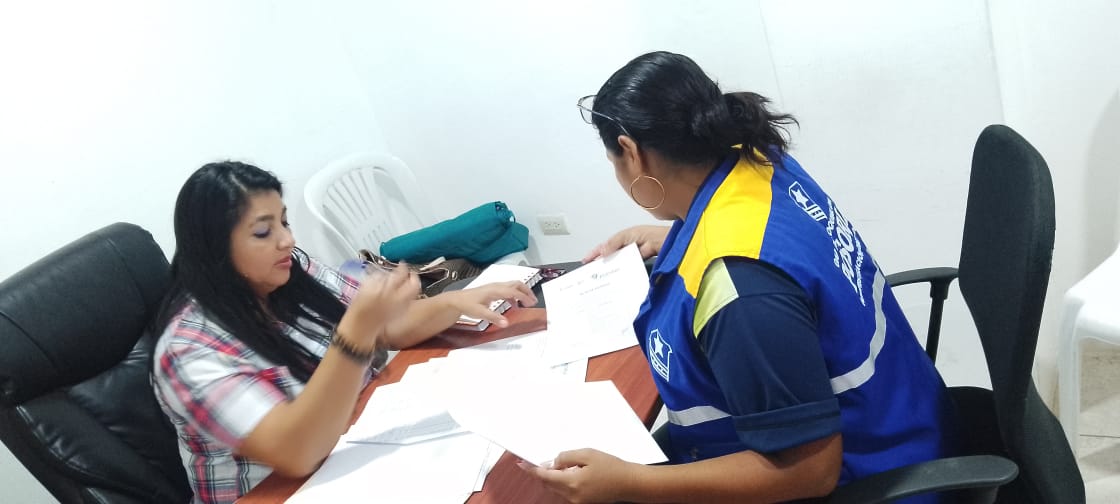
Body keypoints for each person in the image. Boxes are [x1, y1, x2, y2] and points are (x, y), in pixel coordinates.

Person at [521, 51, 962, 503]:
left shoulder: (739, 292)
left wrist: (628, 484)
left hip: (864, 473)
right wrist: (680, 236)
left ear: (630, 152)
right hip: (901, 414)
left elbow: (809, 471)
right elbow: (779, 243)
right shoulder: (757, 160)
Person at [151, 161, 535, 504]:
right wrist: (355, 333)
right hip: (284, 490)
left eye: (284, 222)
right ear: (214, 247)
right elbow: (298, 452)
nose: (287, 240)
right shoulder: (188, 350)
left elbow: (388, 328)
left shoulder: (289, 269)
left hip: (357, 444)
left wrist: (455, 302)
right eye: (263, 231)